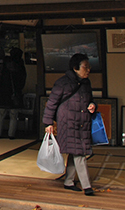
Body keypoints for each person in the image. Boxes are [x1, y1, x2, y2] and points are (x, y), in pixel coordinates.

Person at [42, 53, 97, 196]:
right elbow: (52, 103)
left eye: (89, 67)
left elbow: (90, 99)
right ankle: (87, 186)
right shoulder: (62, 83)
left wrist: (92, 105)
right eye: (85, 67)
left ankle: (68, 181)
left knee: (76, 151)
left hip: (82, 122)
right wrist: (48, 122)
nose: (88, 70)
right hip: (68, 122)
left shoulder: (86, 82)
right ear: (75, 68)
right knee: (79, 153)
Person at [0, 47, 26, 139]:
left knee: (0, 114)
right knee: (13, 115)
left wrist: (0, 88)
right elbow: (23, 80)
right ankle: (11, 134)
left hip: (3, 93)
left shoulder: (5, 64)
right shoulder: (20, 65)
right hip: (15, 93)